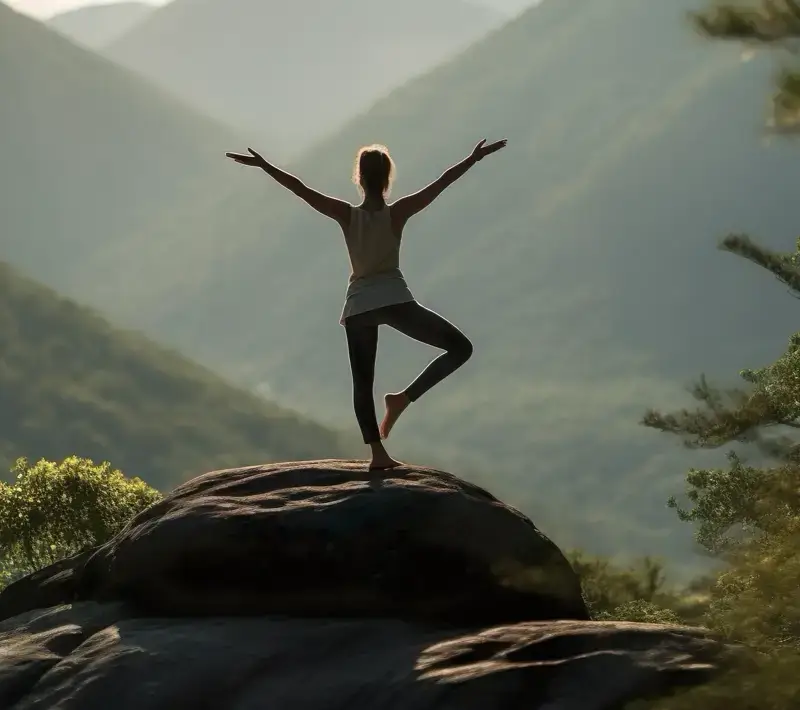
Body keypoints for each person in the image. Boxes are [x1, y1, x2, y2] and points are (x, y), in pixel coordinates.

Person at [226, 138, 507, 470]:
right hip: (394, 298)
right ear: (388, 179)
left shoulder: (346, 215)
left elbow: (300, 189)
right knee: (460, 348)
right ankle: (403, 398)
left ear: (358, 178)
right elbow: (441, 183)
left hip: (360, 305)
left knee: (363, 383)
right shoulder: (398, 212)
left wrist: (265, 166)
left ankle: (378, 455)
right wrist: (472, 159)